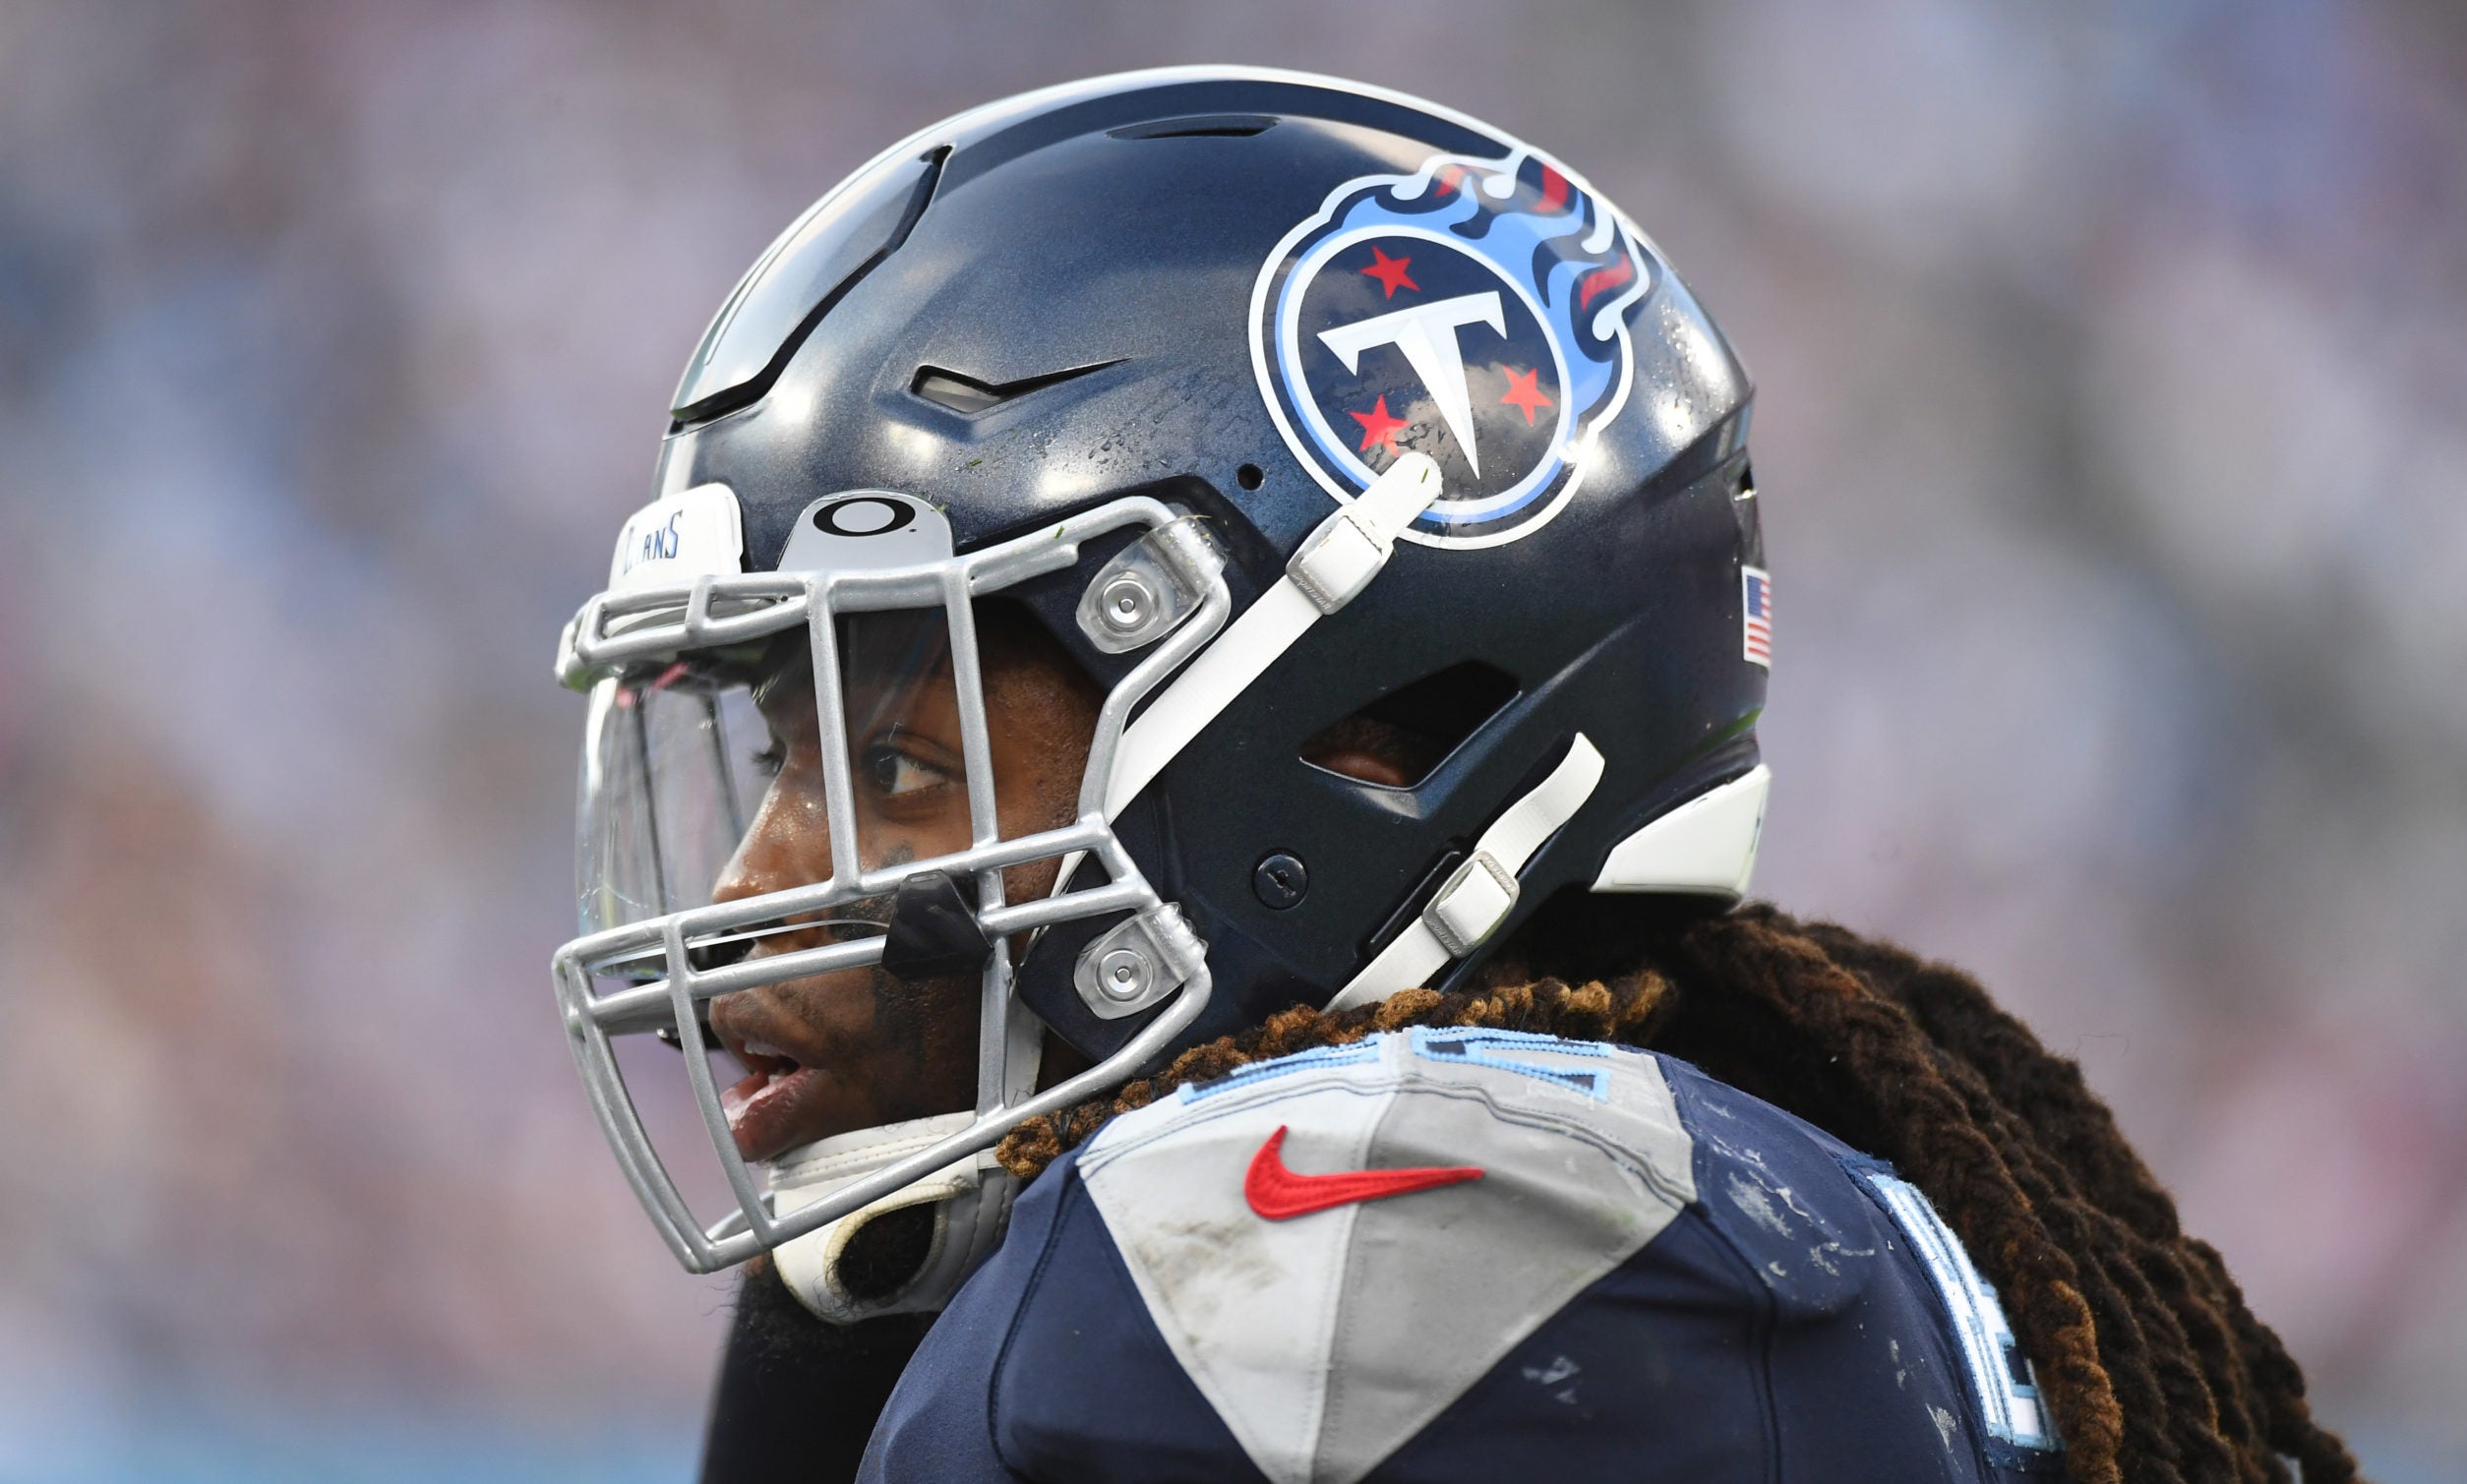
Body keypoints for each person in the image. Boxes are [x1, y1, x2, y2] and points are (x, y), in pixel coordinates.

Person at [547, 68, 2361, 1483]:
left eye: (902, 760)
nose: (747, 895)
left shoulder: (1333, 1248)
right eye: (784, 758)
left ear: (1367, 736)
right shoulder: (1773, 1160)